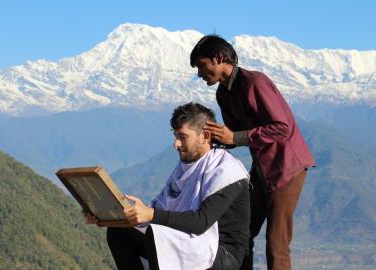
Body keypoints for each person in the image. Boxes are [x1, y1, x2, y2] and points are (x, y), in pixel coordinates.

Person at [190, 35, 315, 270]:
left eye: (201, 65)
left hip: (286, 168)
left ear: (218, 58)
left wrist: (234, 137)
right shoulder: (223, 94)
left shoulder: (254, 83)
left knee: (276, 244)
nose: (199, 74)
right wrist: (210, 139)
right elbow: (233, 135)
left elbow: (282, 127)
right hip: (262, 169)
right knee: (241, 233)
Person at [85, 102, 250, 270]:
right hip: (189, 241)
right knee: (120, 231)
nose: (176, 144)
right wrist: (109, 216)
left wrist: (150, 214)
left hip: (221, 253)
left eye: (183, 137)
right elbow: (161, 210)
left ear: (205, 136)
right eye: (175, 136)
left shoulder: (227, 170)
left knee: (159, 237)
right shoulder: (186, 167)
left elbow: (201, 221)